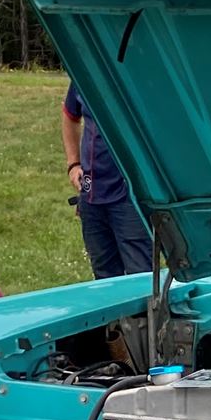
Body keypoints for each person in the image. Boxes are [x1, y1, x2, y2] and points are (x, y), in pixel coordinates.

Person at [61, 82, 152, 278]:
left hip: (132, 196)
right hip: (91, 194)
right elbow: (70, 115)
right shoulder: (82, 77)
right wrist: (73, 164)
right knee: (103, 277)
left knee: (141, 275)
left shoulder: (136, 77)